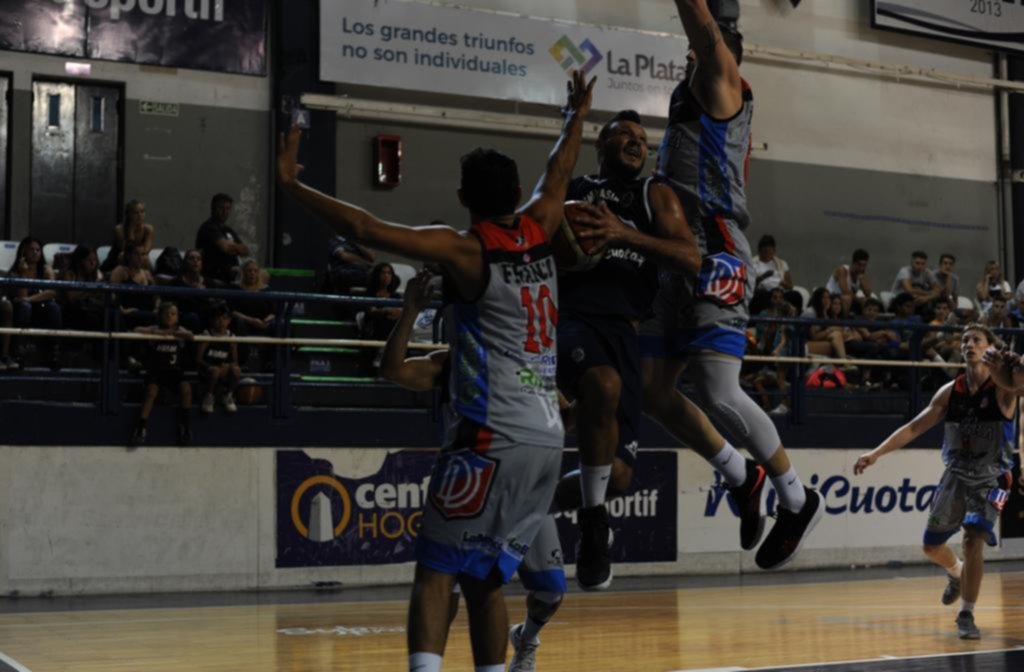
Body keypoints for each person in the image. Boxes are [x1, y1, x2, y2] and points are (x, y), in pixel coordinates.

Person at [277, 70, 594, 672]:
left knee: (436, 571)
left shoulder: (466, 248)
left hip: (490, 435)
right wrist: (573, 115)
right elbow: (559, 171)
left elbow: (366, 228)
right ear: (513, 195)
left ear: (465, 197)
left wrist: (294, 184)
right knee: (484, 582)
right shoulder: (543, 227)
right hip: (547, 439)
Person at [640, 0, 822, 571]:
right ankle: (741, 476)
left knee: (719, 391)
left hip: (716, 252)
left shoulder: (724, 83)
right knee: (654, 390)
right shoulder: (693, 94)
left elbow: (705, 26)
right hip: (678, 259)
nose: (690, 54)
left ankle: (796, 497)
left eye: (701, 47)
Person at [380, 270, 568, 672]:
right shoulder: (446, 365)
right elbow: (392, 368)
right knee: (450, 579)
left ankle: (527, 639)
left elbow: (564, 406)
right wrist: (409, 310)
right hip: (473, 471)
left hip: (518, 483)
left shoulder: (522, 363)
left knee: (550, 590)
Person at [553, 108, 701, 591]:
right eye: (625, 135)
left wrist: (623, 233)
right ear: (602, 142)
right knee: (603, 384)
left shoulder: (651, 194)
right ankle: (593, 527)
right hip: (574, 318)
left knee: (616, 476)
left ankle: (534, 500)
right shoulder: (574, 190)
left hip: (626, 331)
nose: (638, 142)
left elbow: (690, 257)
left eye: (643, 137)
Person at [855, 324, 1019, 640]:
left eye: (977, 339)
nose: (969, 344)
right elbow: (915, 428)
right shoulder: (950, 391)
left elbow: (1015, 382)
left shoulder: (1003, 388)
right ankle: (956, 573)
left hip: (993, 477)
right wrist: (876, 453)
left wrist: (1005, 365)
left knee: (974, 539)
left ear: (989, 348)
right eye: (965, 340)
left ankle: (967, 614)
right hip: (956, 474)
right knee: (931, 546)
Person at [130, 302, 194, 447]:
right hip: (157, 372)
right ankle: (141, 427)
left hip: (175, 372)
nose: (169, 317)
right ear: (159, 316)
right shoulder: (155, 329)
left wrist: (172, 334)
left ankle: (186, 425)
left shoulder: (180, 331)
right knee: (151, 391)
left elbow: (190, 335)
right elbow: (137, 329)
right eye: (166, 314)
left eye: (173, 314)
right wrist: (158, 333)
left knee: (186, 389)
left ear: (177, 317)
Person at [6, 237, 63, 368]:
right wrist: (24, 273)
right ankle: (19, 351)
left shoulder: (45, 270)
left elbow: (52, 292)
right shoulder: (16, 273)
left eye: (38, 250)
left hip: (40, 311)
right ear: (23, 252)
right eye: (32, 249)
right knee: (25, 307)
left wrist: (31, 299)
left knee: (53, 307)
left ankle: (54, 353)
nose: (36, 252)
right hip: (20, 313)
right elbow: (22, 297)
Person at [196, 193, 250, 286]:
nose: (225, 212)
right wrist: (235, 247)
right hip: (214, 274)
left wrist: (234, 247)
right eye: (221, 208)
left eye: (228, 208)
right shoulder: (209, 227)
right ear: (214, 208)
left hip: (231, 273)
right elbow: (226, 247)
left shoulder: (228, 230)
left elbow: (246, 251)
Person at [196, 302, 240, 415]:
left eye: (224, 318)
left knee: (236, 370)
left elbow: (235, 361)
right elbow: (198, 359)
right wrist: (212, 367)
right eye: (218, 319)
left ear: (229, 320)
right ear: (212, 320)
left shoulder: (231, 337)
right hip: (208, 370)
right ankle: (209, 396)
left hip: (224, 370)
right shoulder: (207, 334)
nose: (221, 322)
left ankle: (228, 395)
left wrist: (229, 366)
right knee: (215, 371)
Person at [61, 245, 105, 333]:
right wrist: (92, 291)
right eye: (89, 260)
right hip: (72, 312)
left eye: (94, 260)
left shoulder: (96, 275)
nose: (92, 263)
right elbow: (71, 297)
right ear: (80, 260)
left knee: (111, 314)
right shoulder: (69, 274)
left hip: (92, 310)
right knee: (93, 317)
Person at [103, 199, 155, 273]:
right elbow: (127, 250)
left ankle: (148, 281)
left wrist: (139, 252)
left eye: (142, 212)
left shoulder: (148, 229)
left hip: (137, 259)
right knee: (123, 256)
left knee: (144, 258)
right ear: (128, 214)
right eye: (135, 213)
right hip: (117, 260)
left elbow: (146, 250)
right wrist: (131, 231)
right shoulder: (119, 229)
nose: (140, 215)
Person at [361, 262, 403, 341]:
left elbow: (401, 312)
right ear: (377, 275)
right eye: (383, 273)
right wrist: (386, 311)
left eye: (389, 273)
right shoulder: (369, 293)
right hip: (374, 330)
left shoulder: (396, 296)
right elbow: (370, 311)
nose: (386, 276)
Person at [825, 249, 872, 316]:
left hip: (848, 300)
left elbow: (868, 294)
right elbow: (845, 291)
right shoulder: (842, 270)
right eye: (859, 265)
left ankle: (863, 324)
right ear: (853, 263)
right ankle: (844, 324)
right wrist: (859, 300)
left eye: (864, 265)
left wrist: (863, 281)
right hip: (831, 298)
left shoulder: (861, 275)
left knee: (867, 302)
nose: (861, 268)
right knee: (847, 298)